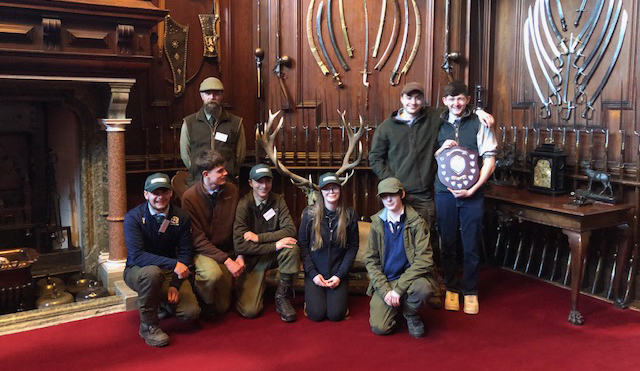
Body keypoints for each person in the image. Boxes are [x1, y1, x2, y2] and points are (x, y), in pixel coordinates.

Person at [368, 82, 494, 307]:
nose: (413, 102)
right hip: (399, 196)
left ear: (423, 100)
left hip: (426, 194)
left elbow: (459, 107)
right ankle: (398, 288)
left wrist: (479, 111)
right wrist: (393, 184)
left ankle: (429, 289)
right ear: (402, 99)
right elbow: (375, 159)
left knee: (427, 244)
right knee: (398, 243)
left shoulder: (434, 117)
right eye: (409, 98)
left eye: (418, 98)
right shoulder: (387, 127)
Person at [434, 81, 497, 315]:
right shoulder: (436, 123)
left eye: (460, 98)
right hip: (444, 193)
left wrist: (474, 189)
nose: (456, 103)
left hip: (473, 194)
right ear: (444, 102)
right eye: (451, 99)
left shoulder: (480, 123)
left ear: (468, 99)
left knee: (471, 244)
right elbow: (428, 156)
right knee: (447, 242)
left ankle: (470, 290)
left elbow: (489, 160)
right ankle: (451, 287)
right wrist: (440, 150)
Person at [123, 173, 200, 347]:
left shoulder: (181, 217)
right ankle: (148, 325)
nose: (160, 197)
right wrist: (174, 264)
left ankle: (159, 301)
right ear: (146, 194)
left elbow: (186, 253)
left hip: (168, 272)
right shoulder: (133, 218)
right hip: (139, 269)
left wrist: (175, 284)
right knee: (152, 274)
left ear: (171, 193)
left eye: (164, 192)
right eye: (155, 193)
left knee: (190, 313)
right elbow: (137, 255)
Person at [365, 178, 436, 338]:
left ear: (401, 194)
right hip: (387, 279)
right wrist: (385, 291)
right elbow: (371, 261)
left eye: (393, 195)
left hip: (411, 278)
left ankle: (410, 313)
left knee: (423, 289)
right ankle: (395, 307)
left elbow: (424, 259)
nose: (388, 199)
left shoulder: (417, 222)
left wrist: (398, 290)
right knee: (380, 328)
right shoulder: (377, 224)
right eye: (384, 196)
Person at [233, 164, 299, 322]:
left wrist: (259, 238)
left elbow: (290, 230)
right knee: (249, 311)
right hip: (253, 260)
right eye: (259, 181)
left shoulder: (278, 200)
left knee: (291, 247)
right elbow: (240, 245)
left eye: (267, 181)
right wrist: (275, 244)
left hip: (273, 256)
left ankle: (282, 297)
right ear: (250, 183)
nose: (264, 186)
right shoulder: (243, 205)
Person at [181, 150, 242, 318]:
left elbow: (238, 226)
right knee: (212, 274)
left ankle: (209, 297)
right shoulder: (189, 198)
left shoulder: (232, 190)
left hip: (226, 249)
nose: (226, 173)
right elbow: (197, 239)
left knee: (222, 307)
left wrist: (239, 254)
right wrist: (227, 261)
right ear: (206, 174)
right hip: (203, 251)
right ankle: (201, 296)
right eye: (220, 171)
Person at [298, 172, 359, 322]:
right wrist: (313, 274)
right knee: (316, 315)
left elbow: (353, 246)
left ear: (340, 190)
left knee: (336, 315)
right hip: (316, 274)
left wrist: (340, 275)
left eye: (334, 188)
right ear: (321, 192)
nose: (331, 192)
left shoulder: (349, 214)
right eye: (326, 188)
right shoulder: (309, 214)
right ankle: (311, 302)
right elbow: (303, 245)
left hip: (338, 273)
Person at [180, 77, 246, 186]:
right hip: (197, 183)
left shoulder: (236, 123)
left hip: (227, 181)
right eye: (208, 93)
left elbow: (240, 156)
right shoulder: (189, 123)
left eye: (216, 93)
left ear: (222, 95)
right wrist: (197, 170)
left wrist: (229, 169)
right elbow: (185, 155)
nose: (212, 97)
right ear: (201, 95)